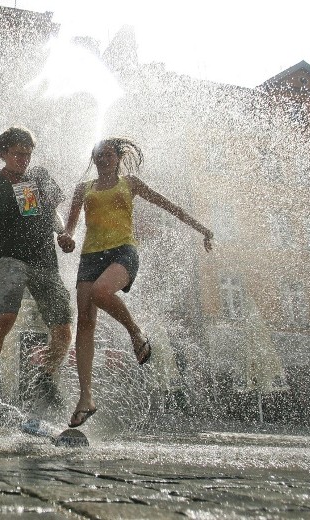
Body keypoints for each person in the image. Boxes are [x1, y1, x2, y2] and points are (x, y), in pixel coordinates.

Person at [58, 136, 213, 427]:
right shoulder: (83, 190)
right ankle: (86, 398)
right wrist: (67, 237)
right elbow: (70, 228)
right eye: (98, 156)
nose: (102, 160)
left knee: (101, 292)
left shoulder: (130, 183)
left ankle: (135, 331)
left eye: (107, 155)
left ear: (117, 157)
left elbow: (168, 206)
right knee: (85, 322)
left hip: (123, 252)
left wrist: (202, 228)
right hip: (90, 257)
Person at [0, 126, 73, 418]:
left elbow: (50, 213)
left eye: (28, 155)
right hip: (11, 258)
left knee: (62, 327)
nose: (24, 160)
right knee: (6, 315)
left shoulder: (36, 178)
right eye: (19, 154)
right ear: (3, 153)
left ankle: (47, 380)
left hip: (44, 260)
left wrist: (63, 233)